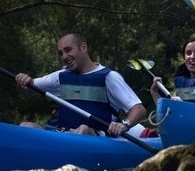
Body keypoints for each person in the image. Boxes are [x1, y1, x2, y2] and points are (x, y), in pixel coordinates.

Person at [15, 33, 146, 136]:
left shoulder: (109, 77)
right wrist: (23, 82)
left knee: (83, 129)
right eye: (61, 53)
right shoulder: (60, 76)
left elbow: (139, 109)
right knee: (26, 126)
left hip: (98, 136)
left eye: (68, 50)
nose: (64, 56)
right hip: (62, 135)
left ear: (83, 47)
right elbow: (28, 89)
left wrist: (125, 124)